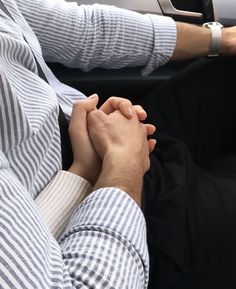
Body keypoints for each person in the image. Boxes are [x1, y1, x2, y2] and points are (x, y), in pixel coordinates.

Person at [1, 0, 236, 288]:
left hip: (112, 149)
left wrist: (219, 38)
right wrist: (119, 168)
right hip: (113, 227)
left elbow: (88, 30)